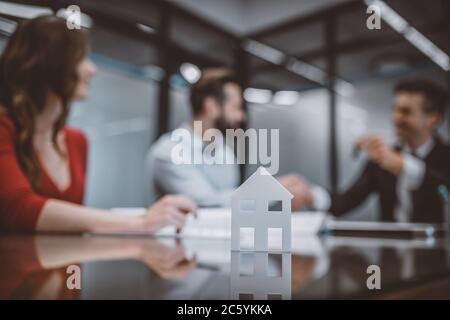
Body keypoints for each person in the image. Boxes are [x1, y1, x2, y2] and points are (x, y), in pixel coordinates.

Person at [0, 16, 196, 233]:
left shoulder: (77, 141)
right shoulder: (4, 128)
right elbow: (18, 209)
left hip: (63, 264)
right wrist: (140, 222)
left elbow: (71, 225)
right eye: (81, 58)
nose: (91, 69)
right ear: (49, 62)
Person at [147, 69, 309, 208]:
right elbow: (206, 203)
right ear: (211, 106)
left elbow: (233, 201)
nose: (241, 116)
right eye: (236, 107)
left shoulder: (223, 151)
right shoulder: (169, 151)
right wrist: (270, 190)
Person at [295, 79, 450, 223]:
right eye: (395, 109)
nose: (396, 117)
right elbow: (347, 201)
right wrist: (310, 195)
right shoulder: (383, 158)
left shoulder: (445, 155)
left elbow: (444, 190)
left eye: (406, 111)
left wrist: (405, 167)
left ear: (433, 119)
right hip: (389, 249)